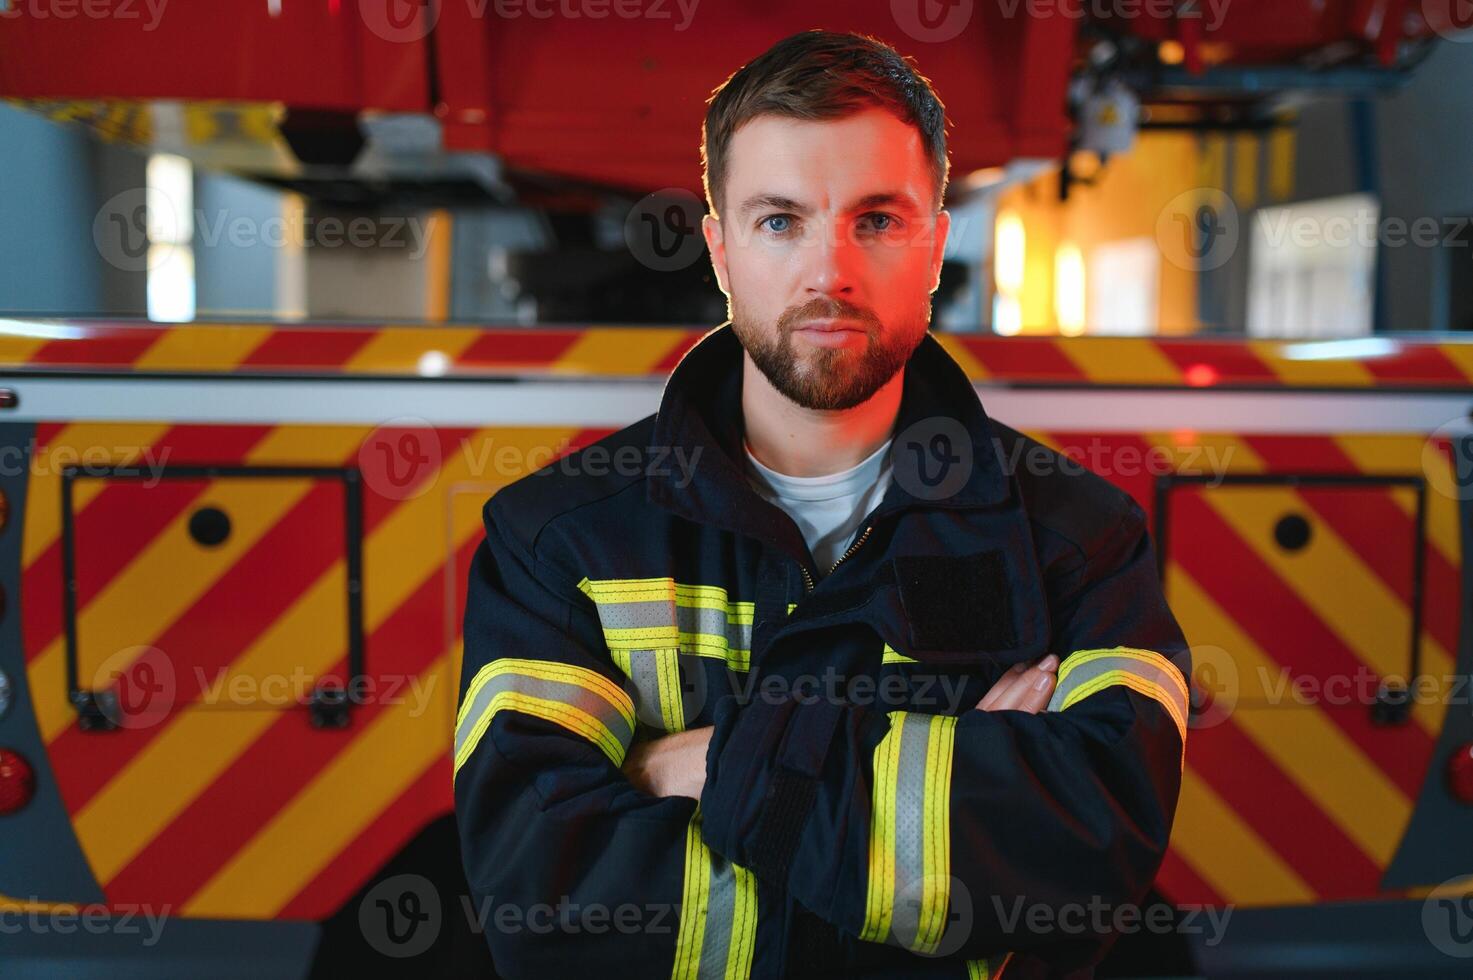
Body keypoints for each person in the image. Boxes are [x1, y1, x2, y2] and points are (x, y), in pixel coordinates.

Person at [455, 29, 1190, 980]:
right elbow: (544, 907)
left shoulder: (1077, 541)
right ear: (719, 252)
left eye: (876, 220)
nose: (828, 272)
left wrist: (695, 770)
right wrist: (956, 777)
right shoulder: (556, 540)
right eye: (778, 221)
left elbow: (1085, 866)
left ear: (934, 244)